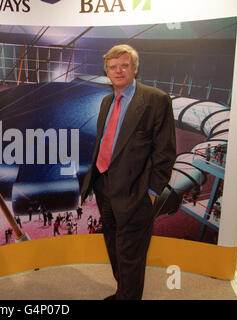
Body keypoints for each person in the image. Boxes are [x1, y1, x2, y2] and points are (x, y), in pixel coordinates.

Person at [80, 44, 176, 300]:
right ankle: (123, 292)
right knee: (113, 246)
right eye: (112, 67)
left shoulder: (156, 100)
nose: (118, 71)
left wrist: (153, 192)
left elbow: (165, 152)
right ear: (107, 71)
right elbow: (104, 142)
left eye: (124, 65)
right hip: (104, 186)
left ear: (135, 68)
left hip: (137, 192)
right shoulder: (106, 101)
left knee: (131, 253)